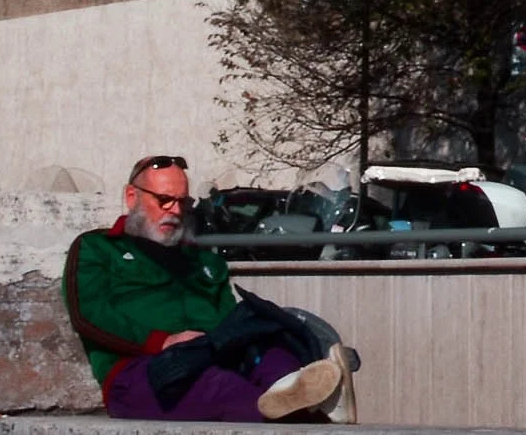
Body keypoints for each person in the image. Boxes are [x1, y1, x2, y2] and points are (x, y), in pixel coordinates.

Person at [63, 153, 355, 422]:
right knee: (223, 388)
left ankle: (301, 387)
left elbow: (228, 318)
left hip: (212, 354)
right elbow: (89, 315)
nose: (175, 211)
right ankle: (312, 411)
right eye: (164, 200)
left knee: (268, 350)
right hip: (142, 372)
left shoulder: (203, 261)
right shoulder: (97, 248)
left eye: (182, 202)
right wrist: (163, 342)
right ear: (132, 196)